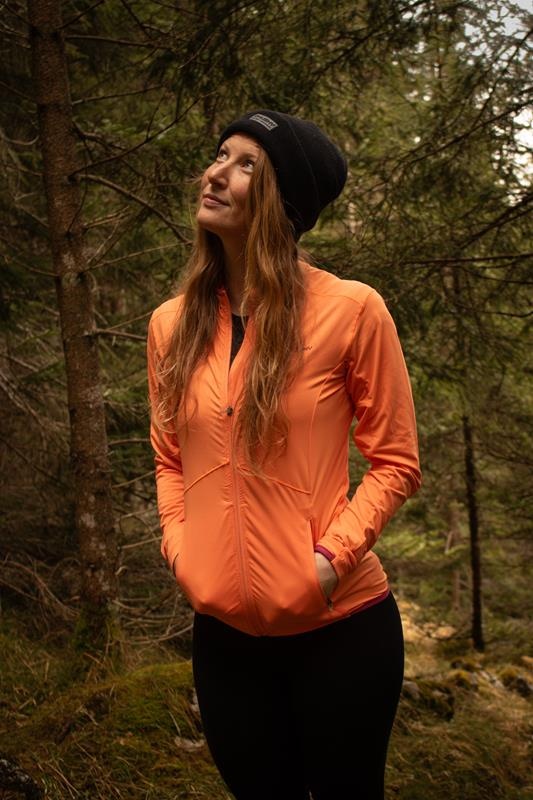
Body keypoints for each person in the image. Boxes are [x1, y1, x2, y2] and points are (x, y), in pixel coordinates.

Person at [147, 109, 421, 800]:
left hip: (340, 628)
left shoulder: (351, 311)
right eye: (219, 155)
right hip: (224, 639)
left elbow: (395, 460)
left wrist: (328, 562)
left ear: (283, 201)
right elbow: (169, 459)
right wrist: (180, 550)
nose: (215, 173)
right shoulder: (170, 325)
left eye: (246, 164)